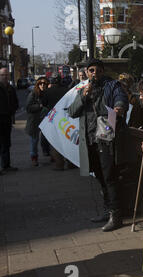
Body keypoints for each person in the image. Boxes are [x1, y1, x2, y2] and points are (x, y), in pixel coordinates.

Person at [68, 58, 129, 232]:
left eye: (98, 70)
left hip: (106, 138)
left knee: (110, 176)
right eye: (91, 70)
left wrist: (118, 107)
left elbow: (120, 98)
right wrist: (83, 96)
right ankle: (107, 209)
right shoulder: (83, 90)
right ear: (87, 72)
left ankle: (116, 216)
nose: (95, 73)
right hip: (90, 140)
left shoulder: (112, 85)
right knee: (100, 177)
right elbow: (72, 112)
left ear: (103, 71)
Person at [45, 75, 71, 170]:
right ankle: (70, 163)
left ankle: (59, 164)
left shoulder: (48, 91)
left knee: (55, 142)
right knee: (67, 140)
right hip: (65, 118)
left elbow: (44, 102)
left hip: (53, 118)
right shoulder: (66, 90)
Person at [25, 76, 49, 167]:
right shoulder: (33, 93)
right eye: (40, 83)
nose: (42, 85)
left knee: (47, 138)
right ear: (37, 84)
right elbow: (28, 107)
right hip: (34, 120)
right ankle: (34, 157)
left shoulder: (47, 93)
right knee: (34, 141)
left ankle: (49, 154)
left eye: (44, 84)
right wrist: (39, 106)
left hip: (45, 120)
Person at [0, 67, 19, 174]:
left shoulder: (11, 88)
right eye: (2, 75)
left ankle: (6, 165)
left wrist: (12, 110)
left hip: (7, 119)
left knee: (6, 143)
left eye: (6, 75)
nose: (5, 77)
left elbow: (16, 102)